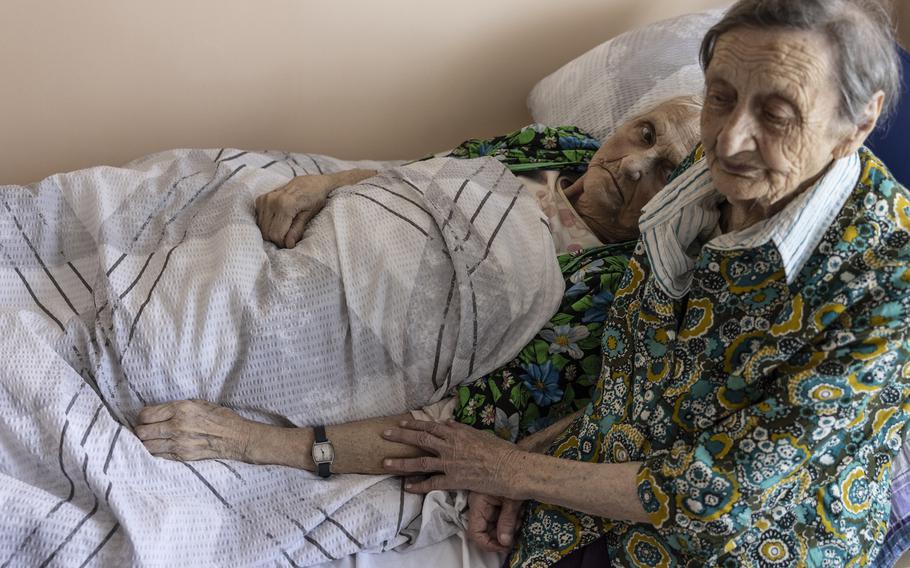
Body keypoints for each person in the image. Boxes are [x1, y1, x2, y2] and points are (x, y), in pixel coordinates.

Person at [366, 0, 907, 566]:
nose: (728, 141)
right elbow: (639, 374)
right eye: (720, 97)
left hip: (744, 547)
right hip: (600, 486)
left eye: (776, 114)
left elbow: (719, 493)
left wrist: (511, 470)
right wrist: (520, 463)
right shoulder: (703, 171)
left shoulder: (890, 281)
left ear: (859, 124)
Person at [133, 97, 700, 475]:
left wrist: (255, 443)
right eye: (644, 134)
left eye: (666, 171)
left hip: (331, 332)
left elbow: (459, 427)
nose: (633, 165)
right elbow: (421, 175)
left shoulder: (616, 288)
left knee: (155, 349)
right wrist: (324, 182)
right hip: (292, 236)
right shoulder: (558, 147)